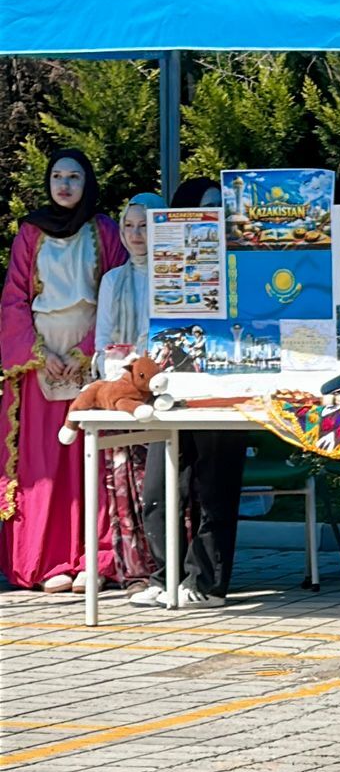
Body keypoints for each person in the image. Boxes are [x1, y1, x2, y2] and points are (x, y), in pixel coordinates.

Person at [0, 149, 126, 593]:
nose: (65, 185)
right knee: (45, 462)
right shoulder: (30, 232)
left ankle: (95, 557)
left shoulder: (105, 230)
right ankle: (48, 560)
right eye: (57, 176)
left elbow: (116, 293)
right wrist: (39, 352)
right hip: (41, 367)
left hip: (90, 364)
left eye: (74, 176)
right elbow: (15, 298)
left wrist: (85, 351)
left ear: (87, 182)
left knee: (88, 461)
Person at [134, 176, 245, 610]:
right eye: (201, 208)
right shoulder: (164, 265)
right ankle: (165, 577)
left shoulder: (241, 263)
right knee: (159, 489)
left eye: (219, 207)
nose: (210, 217)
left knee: (215, 486)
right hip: (169, 388)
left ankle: (208, 582)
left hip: (225, 388)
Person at [94, 190, 164, 595]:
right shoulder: (112, 279)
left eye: (145, 225)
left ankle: (168, 564)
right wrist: (119, 375)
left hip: (158, 388)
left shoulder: (172, 276)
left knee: (157, 480)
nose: (136, 235)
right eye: (129, 226)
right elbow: (104, 339)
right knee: (123, 481)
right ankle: (136, 569)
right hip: (121, 391)